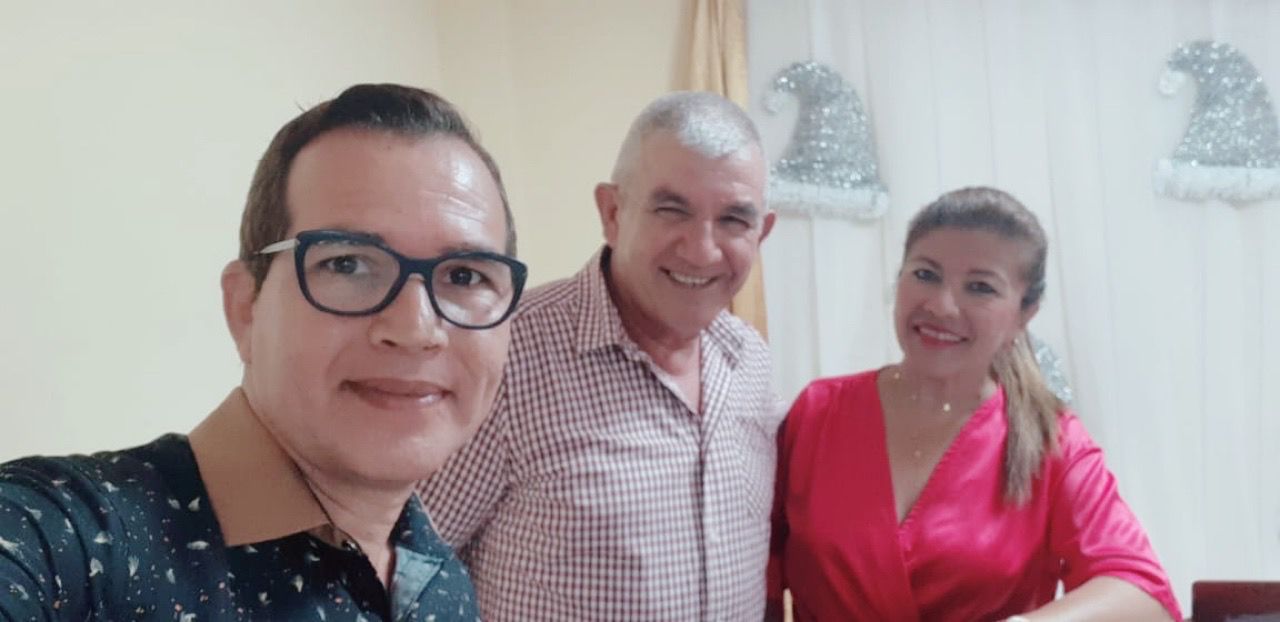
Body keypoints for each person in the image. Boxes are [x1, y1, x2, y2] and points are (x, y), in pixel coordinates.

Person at [0, 84, 526, 620]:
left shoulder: (441, 583)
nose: (414, 329)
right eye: (347, 264)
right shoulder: (67, 538)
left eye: (466, 276)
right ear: (245, 306)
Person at [420, 91, 779, 620]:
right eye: (671, 210)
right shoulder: (506, 355)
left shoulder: (751, 361)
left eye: (734, 220)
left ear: (762, 233)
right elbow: (406, 569)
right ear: (612, 213)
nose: (703, 249)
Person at [767, 187, 1182, 621]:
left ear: (1024, 314)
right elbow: (761, 579)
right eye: (925, 274)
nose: (942, 306)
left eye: (980, 287)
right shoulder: (817, 413)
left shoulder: (1052, 440)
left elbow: (1143, 594)